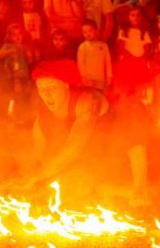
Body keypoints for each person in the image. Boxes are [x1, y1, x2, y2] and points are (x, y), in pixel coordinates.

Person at [19, 60, 151, 205]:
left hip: (119, 132)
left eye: (52, 87)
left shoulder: (86, 102)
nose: (46, 94)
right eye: (41, 88)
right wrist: (28, 178)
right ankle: (110, 188)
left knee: (131, 114)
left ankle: (140, 188)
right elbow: (38, 156)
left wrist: (38, 177)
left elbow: (73, 148)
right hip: (98, 146)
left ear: (66, 86)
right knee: (81, 186)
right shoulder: (42, 119)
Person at [77, 19, 112, 90]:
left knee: (100, 97)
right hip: (88, 80)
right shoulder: (83, 47)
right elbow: (80, 64)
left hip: (100, 79)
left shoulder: (104, 45)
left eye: (90, 31)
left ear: (96, 30)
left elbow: (108, 62)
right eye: (85, 32)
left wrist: (109, 76)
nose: (88, 34)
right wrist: (85, 78)